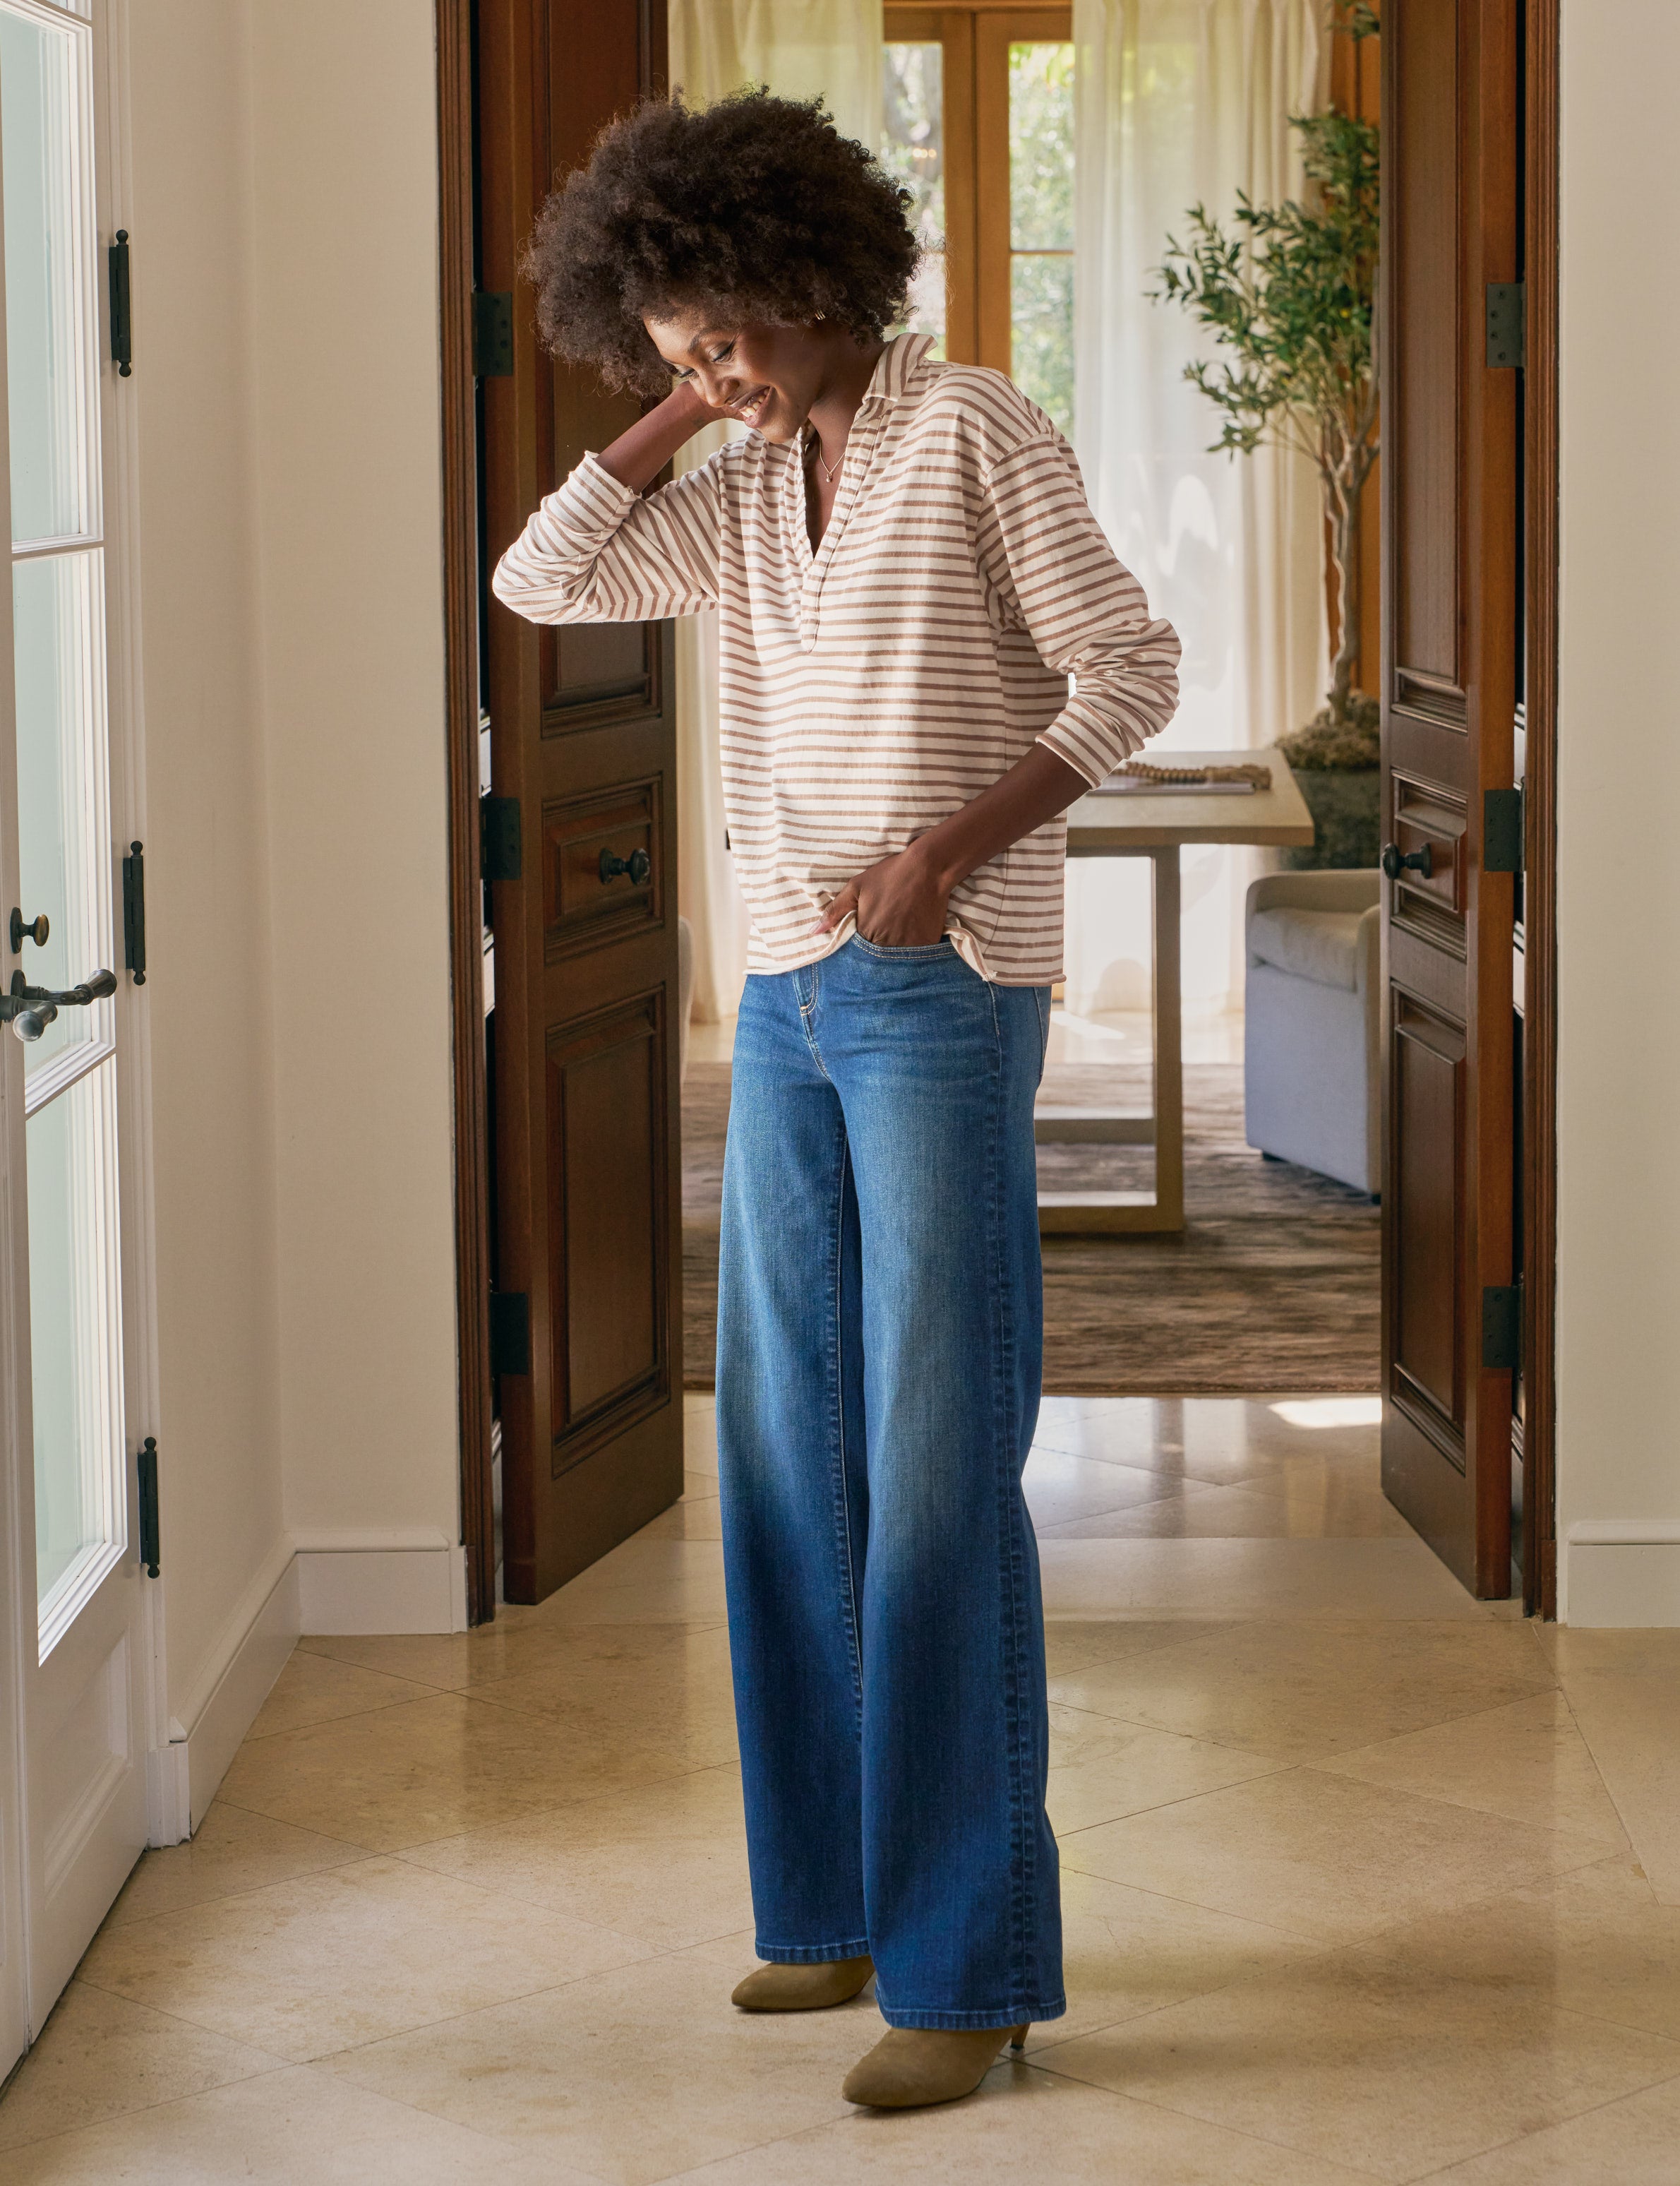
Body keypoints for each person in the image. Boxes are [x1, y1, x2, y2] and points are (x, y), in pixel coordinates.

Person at [493, 87, 1180, 2109]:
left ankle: (969, 1969)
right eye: (675, 340)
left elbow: (1126, 671)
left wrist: (949, 850)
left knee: (936, 1455)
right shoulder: (730, 470)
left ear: (816, 275)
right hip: (786, 992)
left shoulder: (970, 427)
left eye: (732, 333)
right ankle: (831, 1911)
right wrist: (677, 413)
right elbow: (542, 581)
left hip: (936, 985)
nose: (711, 369)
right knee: (788, 1456)